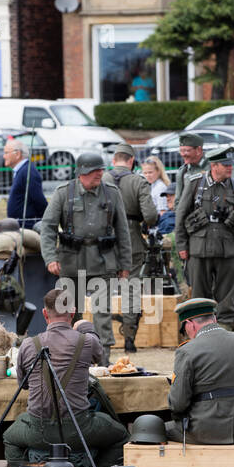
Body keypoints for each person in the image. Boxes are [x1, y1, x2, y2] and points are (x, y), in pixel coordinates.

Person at [2, 288, 129, 467]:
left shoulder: (29, 345)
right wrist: (85, 326)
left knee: (9, 437)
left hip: (38, 431)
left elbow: (23, 385)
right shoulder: (86, 341)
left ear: (45, 314)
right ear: (72, 312)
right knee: (121, 436)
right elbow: (100, 355)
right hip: (80, 429)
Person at [39, 151, 131, 355]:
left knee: (102, 311)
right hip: (71, 260)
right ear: (82, 172)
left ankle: (103, 354)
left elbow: (123, 231)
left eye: (101, 170)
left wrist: (125, 265)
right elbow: (48, 227)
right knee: (68, 310)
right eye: (94, 171)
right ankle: (70, 352)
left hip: (103, 260)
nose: (99, 173)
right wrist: (50, 257)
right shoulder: (64, 193)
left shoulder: (112, 193)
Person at [174, 144, 234, 328]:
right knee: (199, 297)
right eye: (225, 165)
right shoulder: (195, 184)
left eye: (230, 164)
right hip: (199, 249)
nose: (230, 168)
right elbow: (180, 216)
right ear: (214, 166)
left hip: (228, 250)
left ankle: (224, 329)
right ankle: (202, 332)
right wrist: (181, 246)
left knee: (226, 298)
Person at [166, 297, 234, 443]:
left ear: (190, 324)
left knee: (156, 429)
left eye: (184, 328)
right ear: (214, 319)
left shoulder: (187, 351)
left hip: (206, 430)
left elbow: (178, 404)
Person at [104, 143, 158, 353]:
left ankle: (103, 338)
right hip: (132, 238)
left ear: (113, 160)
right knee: (131, 289)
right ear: (131, 161)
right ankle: (129, 339)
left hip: (105, 241)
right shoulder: (138, 181)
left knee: (103, 288)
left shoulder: (103, 179)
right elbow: (151, 216)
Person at [3, 137, 46, 230]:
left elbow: (38, 199)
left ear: (17, 154)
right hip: (19, 226)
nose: (4, 156)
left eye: (6, 153)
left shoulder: (28, 172)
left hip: (27, 227)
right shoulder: (22, 170)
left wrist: (45, 221)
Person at [175, 132, 208, 208]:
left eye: (187, 151)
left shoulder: (213, 167)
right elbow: (178, 201)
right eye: (181, 151)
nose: (183, 154)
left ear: (198, 150)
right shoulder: (182, 171)